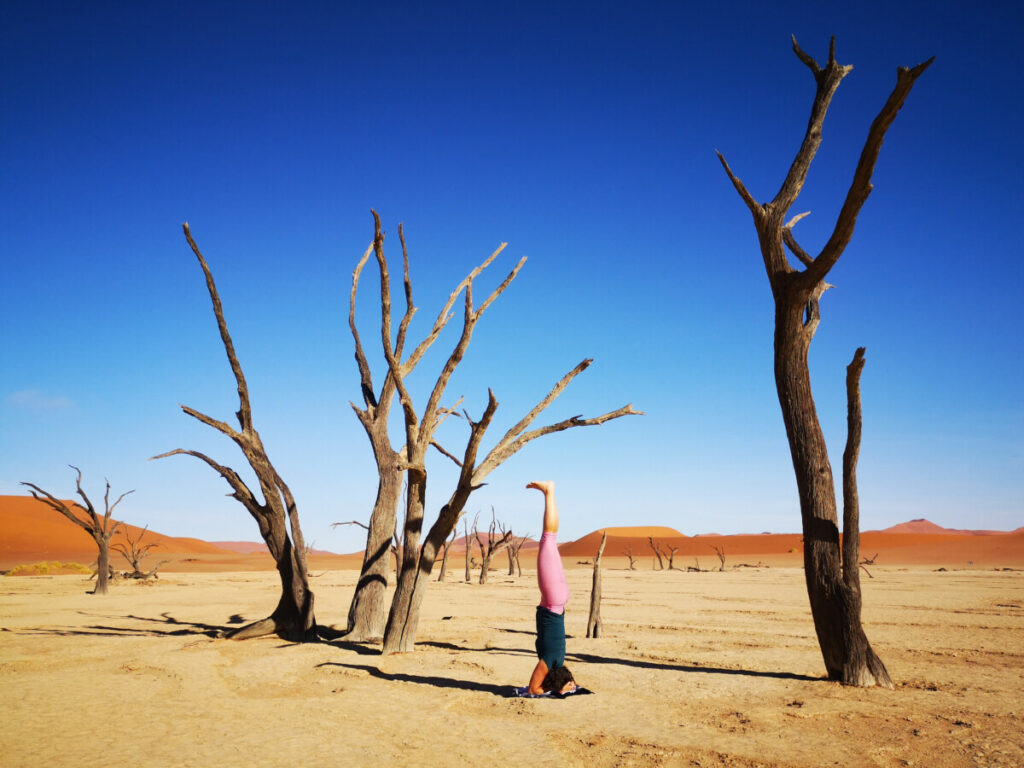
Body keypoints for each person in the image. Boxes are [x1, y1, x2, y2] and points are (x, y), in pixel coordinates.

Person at [526, 480, 577, 695]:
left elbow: (537, 687)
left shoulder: (558, 659)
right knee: (548, 540)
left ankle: (549, 492)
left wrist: (561, 687)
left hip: (558, 601)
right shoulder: (548, 662)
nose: (571, 686)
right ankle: (549, 491)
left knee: (550, 541)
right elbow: (533, 689)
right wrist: (557, 690)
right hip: (553, 599)